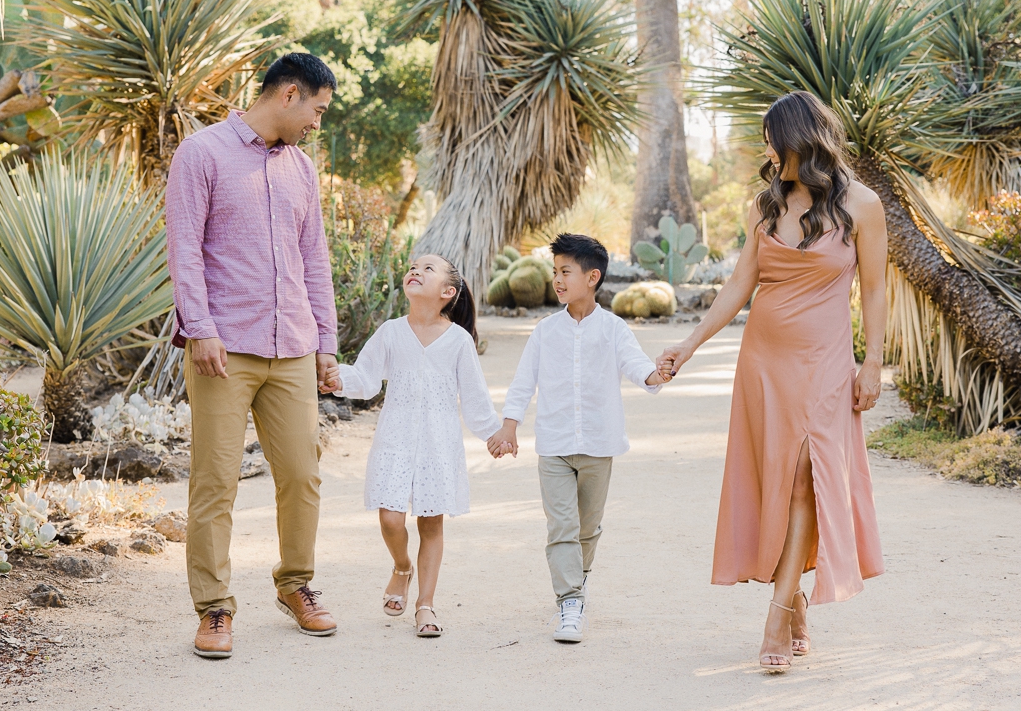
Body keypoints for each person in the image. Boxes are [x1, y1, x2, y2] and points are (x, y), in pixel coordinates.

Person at [657, 90, 888, 674]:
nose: (767, 149)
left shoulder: (862, 204)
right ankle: (796, 609)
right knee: (781, 486)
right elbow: (739, 286)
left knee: (809, 482)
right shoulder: (766, 206)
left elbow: (878, 291)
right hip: (764, 364)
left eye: (772, 139)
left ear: (800, 141)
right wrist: (688, 345)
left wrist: (872, 363)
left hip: (827, 366)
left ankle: (776, 617)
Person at [165, 52, 344, 659]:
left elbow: (314, 261)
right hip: (223, 349)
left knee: (302, 474)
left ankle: (296, 585)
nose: (318, 123)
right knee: (215, 482)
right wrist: (201, 327)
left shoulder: (301, 170)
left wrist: (326, 344)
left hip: (292, 344)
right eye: (317, 110)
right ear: (289, 95)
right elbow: (185, 250)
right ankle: (214, 609)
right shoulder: (203, 153)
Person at [486, 233, 671, 644]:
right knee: (563, 527)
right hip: (553, 446)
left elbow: (637, 366)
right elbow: (523, 383)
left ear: (592, 277)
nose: (556, 280)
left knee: (588, 528)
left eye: (565, 272)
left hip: (599, 446)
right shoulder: (544, 331)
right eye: (554, 272)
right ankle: (570, 601)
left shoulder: (614, 328)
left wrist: (659, 374)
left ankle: (577, 581)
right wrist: (510, 425)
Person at [326, 254, 511, 638]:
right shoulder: (391, 332)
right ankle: (401, 567)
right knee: (390, 518)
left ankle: (425, 605)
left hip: (438, 445)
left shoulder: (459, 341)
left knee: (431, 523)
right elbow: (366, 378)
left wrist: (494, 433)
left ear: (448, 292)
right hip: (395, 439)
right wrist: (337, 379)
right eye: (413, 266)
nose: (415, 271)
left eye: (428, 268)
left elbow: (474, 398)